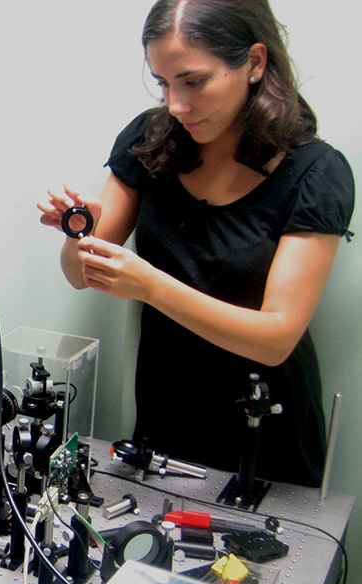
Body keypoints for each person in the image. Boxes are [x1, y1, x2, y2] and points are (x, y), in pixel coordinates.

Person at [38, 0, 354, 487]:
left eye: (193, 81)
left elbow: (276, 339)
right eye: (163, 83)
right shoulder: (151, 137)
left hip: (264, 436)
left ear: (254, 62)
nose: (176, 105)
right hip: (165, 421)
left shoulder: (316, 172)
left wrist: (150, 286)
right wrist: (79, 234)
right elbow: (80, 275)